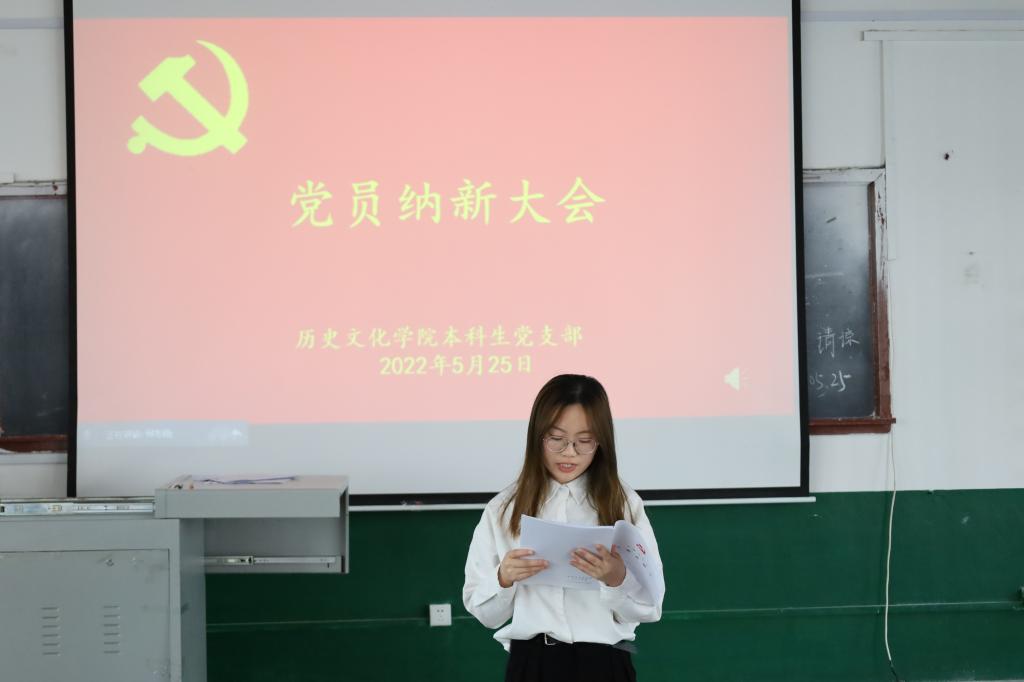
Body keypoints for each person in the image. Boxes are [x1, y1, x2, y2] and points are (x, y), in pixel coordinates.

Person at [463, 374, 664, 682]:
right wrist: (504, 577)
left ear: (601, 442)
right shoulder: (503, 508)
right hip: (533, 663)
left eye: (584, 441)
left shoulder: (623, 505)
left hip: (604, 662)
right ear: (537, 436)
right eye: (556, 438)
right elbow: (484, 613)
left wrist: (617, 578)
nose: (569, 452)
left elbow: (651, 607)